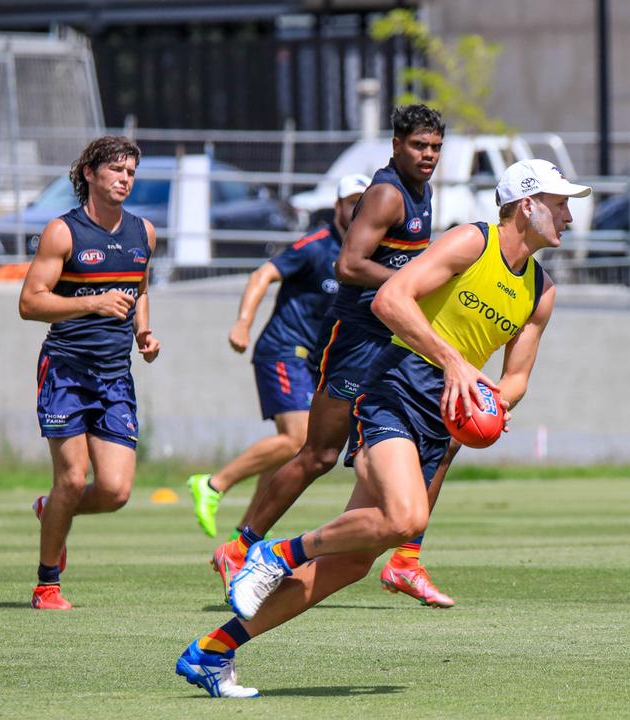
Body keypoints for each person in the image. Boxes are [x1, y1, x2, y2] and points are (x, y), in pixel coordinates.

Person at [174, 159, 588, 699]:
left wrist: (490, 406)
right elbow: (392, 299)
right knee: (406, 518)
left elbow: (514, 380)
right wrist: (455, 362)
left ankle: (212, 651)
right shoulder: (470, 243)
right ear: (526, 204)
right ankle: (275, 554)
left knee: (349, 565)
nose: (569, 216)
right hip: (395, 387)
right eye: (560, 204)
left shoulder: (541, 290)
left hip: (441, 418)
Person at [206, 105, 459, 608]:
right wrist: (412, 284)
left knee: (443, 436)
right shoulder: (387, 194)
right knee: (316, 454)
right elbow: (349, 264)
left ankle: (406, 558)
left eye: (434, 147)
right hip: (357, 340)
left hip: (395, 339)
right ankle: (240, 547)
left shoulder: (422, 193)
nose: (427, 155)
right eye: (418, 146)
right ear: (395, 145)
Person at [19, 135, 161, 610]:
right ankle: (47, 584)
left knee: (117, 491)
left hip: (115, 375)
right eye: (116, 170)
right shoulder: (64, 232)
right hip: (65, 371)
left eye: (131, 173)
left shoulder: (145, 232)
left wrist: (144, 332)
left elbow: (139, 286)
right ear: (89, 174)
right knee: (73, 479)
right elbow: (30, 303)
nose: (125, 179)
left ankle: (50, 509)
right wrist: (92, 302)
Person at [185, 175, 364, 539]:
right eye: (352, 202)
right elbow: (263, 273)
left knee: (291, 450)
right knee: (298, 439)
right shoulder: (316, 246)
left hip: (316, 363)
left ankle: (245, 536)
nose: (357, 209)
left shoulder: (362, 253)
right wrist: (242, 322)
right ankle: (213, 484)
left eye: (364, 203)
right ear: (338, 207)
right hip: (284, 350)